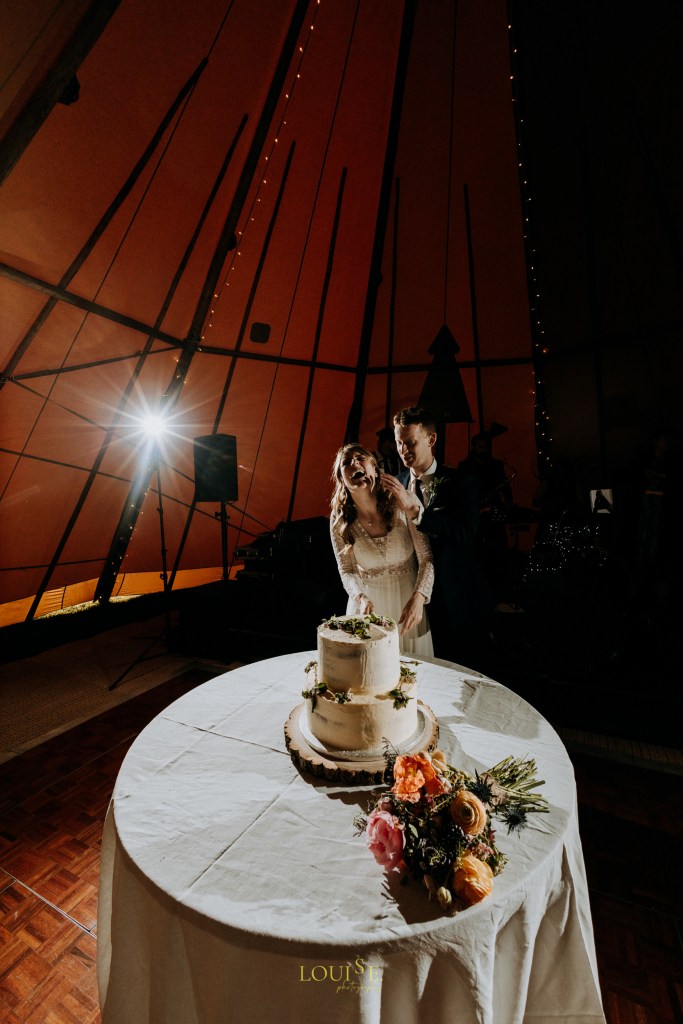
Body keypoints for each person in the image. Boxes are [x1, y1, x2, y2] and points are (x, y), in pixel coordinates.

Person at [381, 406, 493, 666]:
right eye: (399, 443)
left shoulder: (462, 482)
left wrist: (418, 514)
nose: (403, 450)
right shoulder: (396, 483)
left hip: (456, 597)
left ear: (431, 439)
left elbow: (465, 535)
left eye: (410, 442)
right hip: (410, 596)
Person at [329, 443, 434, 656]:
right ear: (341, 479)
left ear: (375, 469)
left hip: (408, 600)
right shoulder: (339, 519)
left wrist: (420, 597)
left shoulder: (402, 500)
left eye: (360, 458)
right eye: (346, 463)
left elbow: (426, 557)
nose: (354, 463)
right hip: (369, 607)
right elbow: (347, 570)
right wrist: (360, 597)